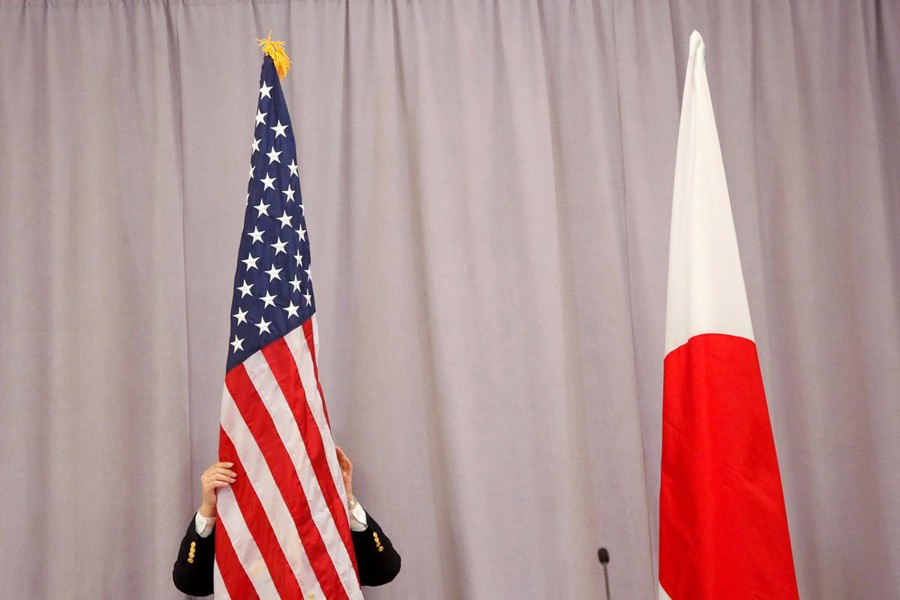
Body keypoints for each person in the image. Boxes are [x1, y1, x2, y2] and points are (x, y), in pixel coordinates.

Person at [173, 447, 400, 596]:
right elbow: (191, 583)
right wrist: (208, 510)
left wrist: (346, 499)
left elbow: (384, 570)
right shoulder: (241, 518)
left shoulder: (323, 517)